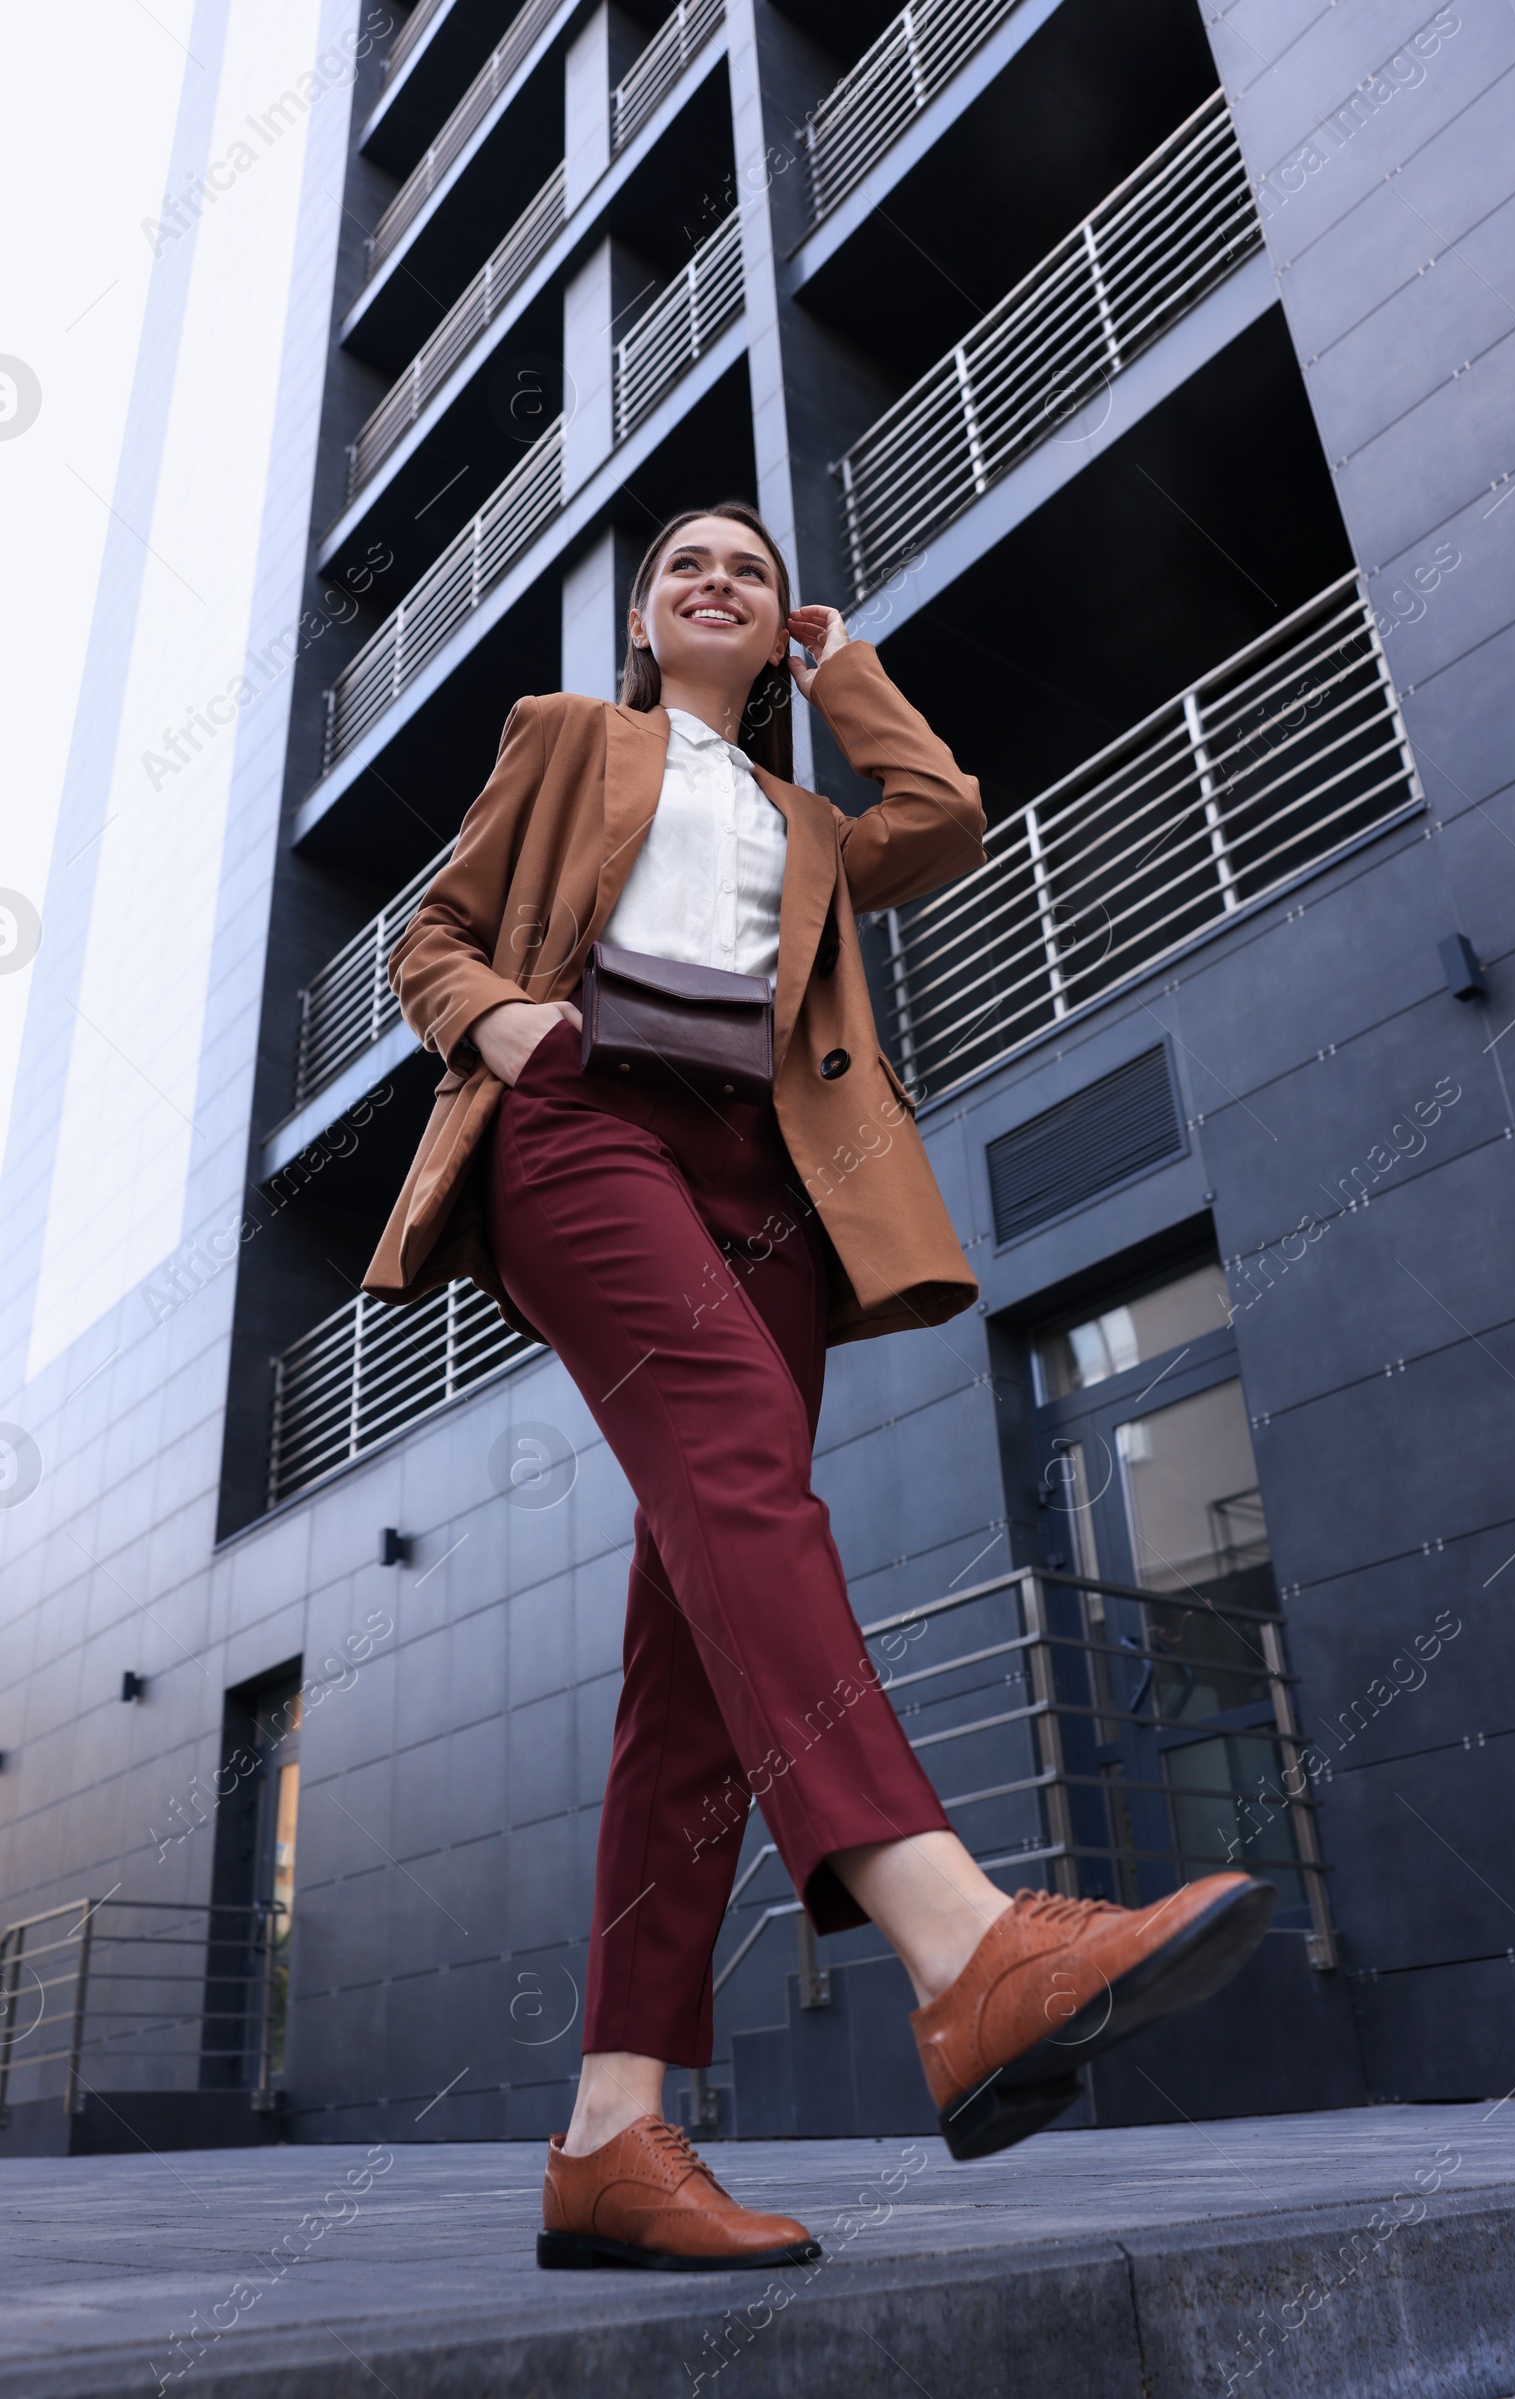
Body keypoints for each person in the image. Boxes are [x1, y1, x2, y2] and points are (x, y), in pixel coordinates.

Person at [365, 502, 1273, 2272]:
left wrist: (841, 671)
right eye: (688, 568)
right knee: (739, 1478)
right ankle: (965, 1946)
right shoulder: (572, 740)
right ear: (641, 620)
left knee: (697, 1655)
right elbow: (435, 932)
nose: (720, 584)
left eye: (752, 574)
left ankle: (612, 2136)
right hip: (584, 1128)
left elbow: (936, 817)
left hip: (768, 1187)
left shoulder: (801, 819)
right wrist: (504, 1025)